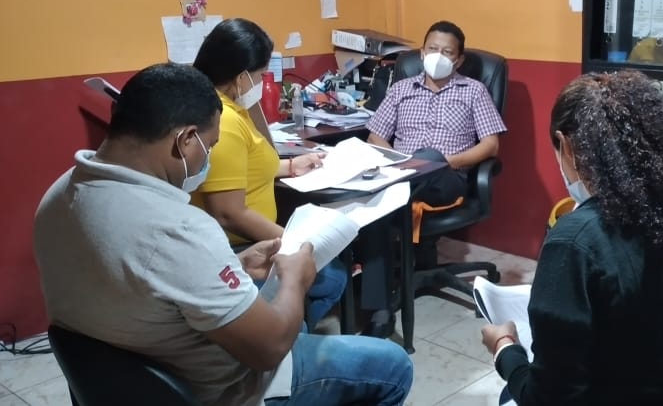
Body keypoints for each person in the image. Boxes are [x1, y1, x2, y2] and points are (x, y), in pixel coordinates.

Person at [34, 63, 412, 406]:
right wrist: (295, 280)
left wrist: (235, 263)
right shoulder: (177, 228)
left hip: (119, 383)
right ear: (185, 140)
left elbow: (142, 277)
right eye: (209, 146)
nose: (208, 159)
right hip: (220, 390)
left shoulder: (59, 194)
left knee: (294, 321)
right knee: (392, 365)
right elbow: (268, 349)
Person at [479, 70, 663, 403]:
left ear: (566, 146)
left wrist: (506, 350)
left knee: (510, 394)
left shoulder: (577, 241)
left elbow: (547, 398)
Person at [190, 18, 348, 329]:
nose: (262, 83)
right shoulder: (224, 120)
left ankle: (294, 327)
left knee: (332, 274)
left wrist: (290, 166)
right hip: (238, 246)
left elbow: (245, 165)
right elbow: (228, 213)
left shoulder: (229, 108)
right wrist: (294, 242)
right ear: (241, 77)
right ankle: (291, 334)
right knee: (333, 277)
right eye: (261, 75)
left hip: (249, 238)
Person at [359, 20, 508, 336]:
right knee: (378, 210)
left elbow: (490, 145)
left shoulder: (473, 91)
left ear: (459, 59)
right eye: (432, 49)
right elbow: (375, 136)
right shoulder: (400, 89)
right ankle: (379, 313)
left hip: (447, 178)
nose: (438, 56)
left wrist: (444, 161)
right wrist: (399, 163)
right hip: (399, 175)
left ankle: (394, 188)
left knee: (421, 164)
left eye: (447, 52)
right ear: (422, 52)